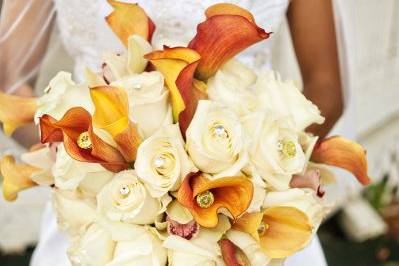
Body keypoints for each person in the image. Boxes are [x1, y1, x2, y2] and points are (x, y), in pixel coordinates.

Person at [0, 0, 343, 265]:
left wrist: (263, 171)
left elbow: (326, 86)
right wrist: (86, 162)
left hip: (256, 220)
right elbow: (9, 83)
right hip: (98, 219)